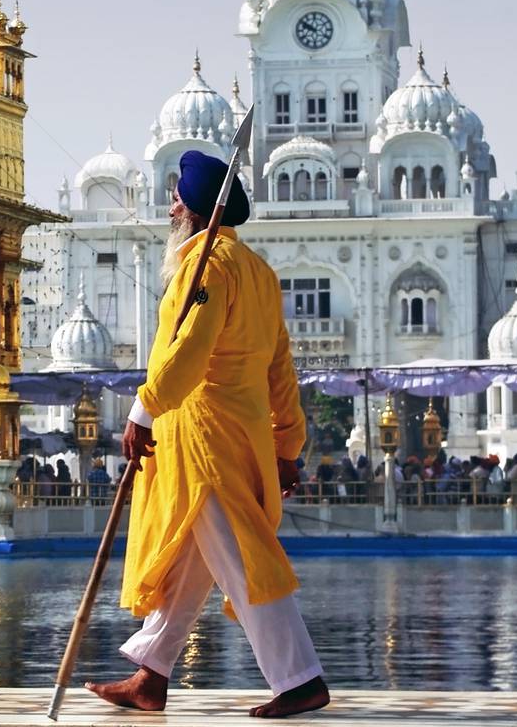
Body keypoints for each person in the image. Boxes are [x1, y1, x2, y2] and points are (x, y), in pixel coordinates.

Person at [85, 151, 328, 718]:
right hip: (234, 432)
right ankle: (151, 675)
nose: (170, 206)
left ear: (193, 208)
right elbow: (279, 367)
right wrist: (287, 444)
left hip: (204, 435)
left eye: (176, 197)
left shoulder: (207, 269)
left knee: (242, 557)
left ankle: (300, 677)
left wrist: (143, 411)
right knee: (190, 558)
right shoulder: (258, 272)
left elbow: (187, 351)